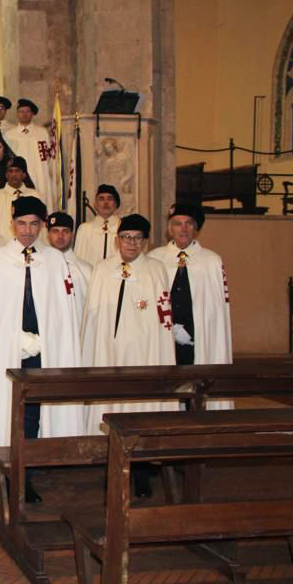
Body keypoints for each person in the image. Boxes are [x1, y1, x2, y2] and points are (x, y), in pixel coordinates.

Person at [0, 196, 83, 503]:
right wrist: (12, 338)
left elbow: (62, 311)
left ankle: (28, 476)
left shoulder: (54, 259)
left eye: (34, 224)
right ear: (12, 224)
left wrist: (45, 339)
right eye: (22, 224)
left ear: (42, 225)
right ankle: (6, 474)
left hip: (42, 350)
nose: (27, 230)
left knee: (34, 415)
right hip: (7, 350)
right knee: (8, 410)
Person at [82, 214, 175, 497]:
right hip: (108, 354)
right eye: (126, 237)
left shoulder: (156, 269)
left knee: (140, 409)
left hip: (144, 354)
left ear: (145, 242)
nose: (131, 244)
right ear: (117, 240)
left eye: (137, 238)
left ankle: (141, 470)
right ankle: (111, 467)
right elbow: (92, 315)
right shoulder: (102, 269)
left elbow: (163, 317)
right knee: (112, 407)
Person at [148, 203, 233, 367]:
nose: (183, 229)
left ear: (196, 229)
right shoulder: (155, 259)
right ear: (169, 229)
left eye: (188, 224)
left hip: (198, 339)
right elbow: (147, 300)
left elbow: (215, 308)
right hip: (163, 336)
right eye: (178, 224)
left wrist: (191, 331)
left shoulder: (211, 261)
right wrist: (170, 329)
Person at [3, 99, 54, 209]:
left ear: (32, 114)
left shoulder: (41, 132)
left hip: (39, 173)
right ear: (17, 113)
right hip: (19, 176)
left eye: (27, 111)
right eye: (21, 111)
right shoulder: (10, 135)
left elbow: (47, 157)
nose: (24, 114)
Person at [46, 211, 92, 322]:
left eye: (65, 231)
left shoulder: (86, 270)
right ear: (48, 235)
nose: (60, 236)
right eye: (55, 231)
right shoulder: (39, 266)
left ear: (73, 234)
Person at [0, 157, 44, 247]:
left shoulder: (36, 196)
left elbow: (42, 226)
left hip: (30, 248)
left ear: (24, 175)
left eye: (17, 171)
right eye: (10, 171)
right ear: (6, 175)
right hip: (1, 249)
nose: (13, 174)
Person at [74, 184, 122, 266]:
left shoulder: (123, 228)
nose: (106, 203)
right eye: (101, 199)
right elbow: (78, 260)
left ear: (116, 204)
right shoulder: (85, 229)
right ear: (95, 204)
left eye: (110, 199)